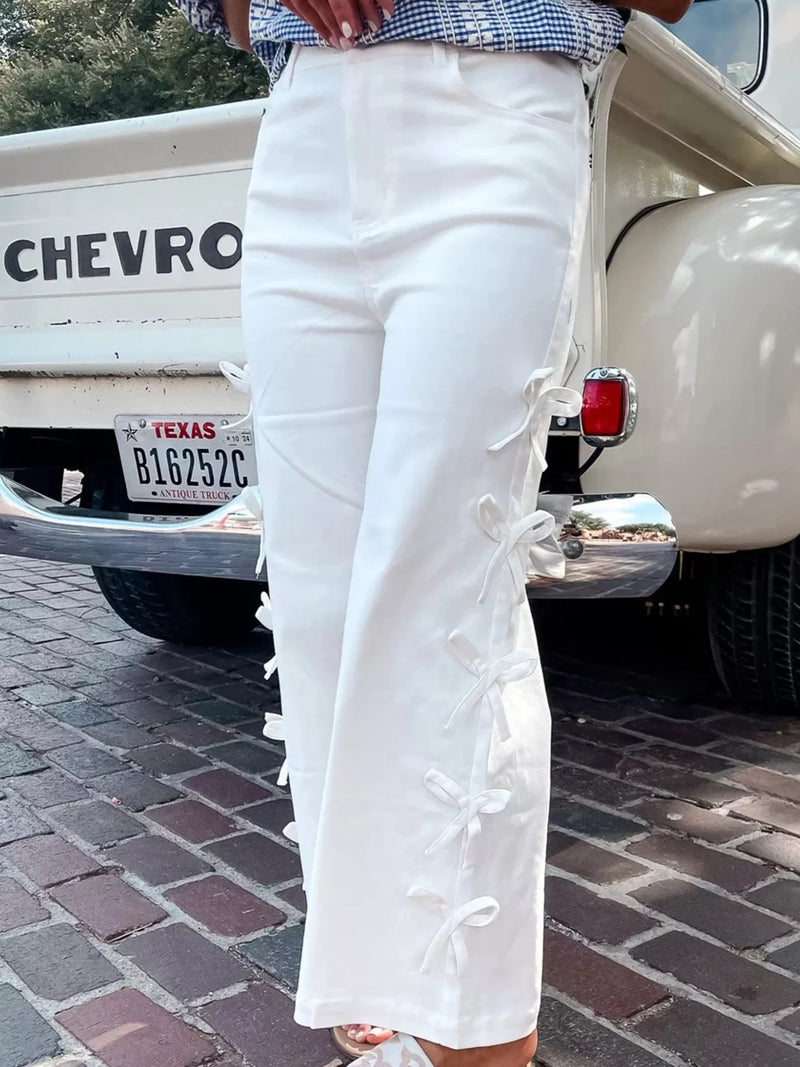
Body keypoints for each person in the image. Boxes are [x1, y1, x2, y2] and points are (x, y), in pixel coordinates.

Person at [176, 0, 690, 1064]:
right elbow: (225, 17)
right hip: (308, 119)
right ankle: (377, 968)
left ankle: (478, 1034)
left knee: (446, 589)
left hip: (492, 119)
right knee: (314, 600)